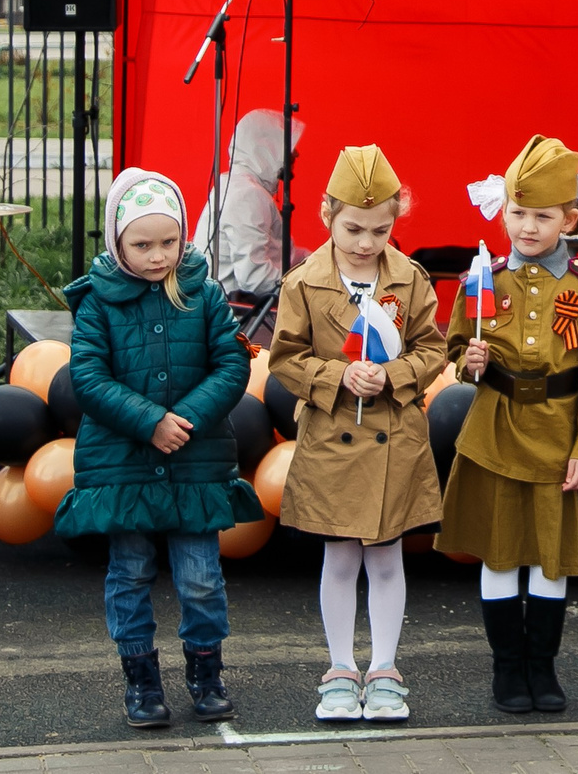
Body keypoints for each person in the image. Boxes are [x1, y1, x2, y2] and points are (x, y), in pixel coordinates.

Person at [57, 165, 259, 730]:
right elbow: (89, 378)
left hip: (194, 460)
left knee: (200, 574)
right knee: (130, 570)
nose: (156, 256)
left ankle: (205, 671)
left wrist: (185, 420)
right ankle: (141, 679)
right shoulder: (98, 302)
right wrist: (149, 423)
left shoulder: (204, 293)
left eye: (168, 242)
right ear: (117, 241)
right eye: (142, 244)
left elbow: (231, 363)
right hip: (125, 463)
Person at [266, 145, 446, 725]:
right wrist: (338, 374)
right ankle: (341, 667)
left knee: (388, 556)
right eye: (354, 228)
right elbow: (283, 359)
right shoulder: (303, 282)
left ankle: (386, 669)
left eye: (381, 229)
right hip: (332, 437)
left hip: (393, 435)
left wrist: (391, 375)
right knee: (339, 558)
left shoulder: (411, 279)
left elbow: (434, 348)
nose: (367, 243)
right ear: (326, 214)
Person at [444, 134, 578, 715]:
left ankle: (542, 668)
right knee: (499, 554)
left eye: (542, 216)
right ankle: (507, 669)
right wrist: (467, 365)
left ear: (570, 217)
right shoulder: (481, 281)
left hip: (558, 434)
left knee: (549, 556)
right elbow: (452, 354)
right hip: (495, 429)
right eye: (518, 213)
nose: (528, 227)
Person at [199, 107, 302, 297]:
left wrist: (320, 262)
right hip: (240, 313)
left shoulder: (234, 185)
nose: (296, 154)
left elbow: (280, 254)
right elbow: (255, 278)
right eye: (289, 146)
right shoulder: (247, 195)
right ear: (267, 148)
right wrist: (308, 289)